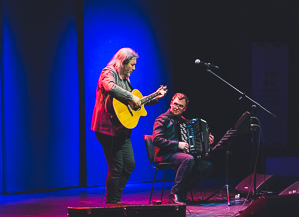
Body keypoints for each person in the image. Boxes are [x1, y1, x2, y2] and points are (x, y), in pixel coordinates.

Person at [91, 47, 166, 204]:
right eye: (131, 64)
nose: (134, 68)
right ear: (122, 62)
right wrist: (131, 96)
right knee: (116, 167)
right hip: (108, 129)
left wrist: (154, 97)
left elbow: (134, 103)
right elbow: (110, 87)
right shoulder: (108, 72)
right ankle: (112, 201)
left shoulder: (125, 78)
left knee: (130, 164)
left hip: (122, 129)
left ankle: (116, 199)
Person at [152, 93, 214, 204]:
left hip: (179, 155)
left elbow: (195, 136)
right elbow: (156, 139)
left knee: (205, 165)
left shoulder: (183, 121)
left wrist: (206, 139)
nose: (176, 107)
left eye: (180, 106)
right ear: (171, 103)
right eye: (175, 104)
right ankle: (174, 192)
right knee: (188, 159)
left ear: (184, 108)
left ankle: (182, 191)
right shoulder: (162, 119)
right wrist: (177, 144)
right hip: (165, 154)